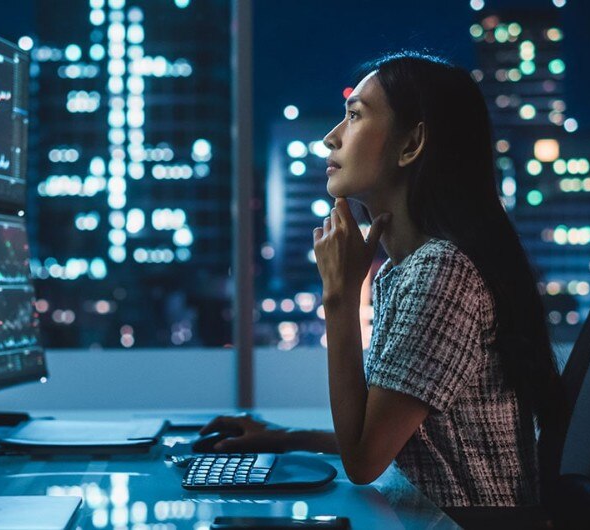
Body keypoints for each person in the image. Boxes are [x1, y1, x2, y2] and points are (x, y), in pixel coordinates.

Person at [201, 51, 567, 509]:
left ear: (411, 144)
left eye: (354, 116)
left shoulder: (443, 273)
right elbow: (391, 434)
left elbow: (364, 459)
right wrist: (284, 438)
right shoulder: (407, 270)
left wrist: (339, 295)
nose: (331, 139)